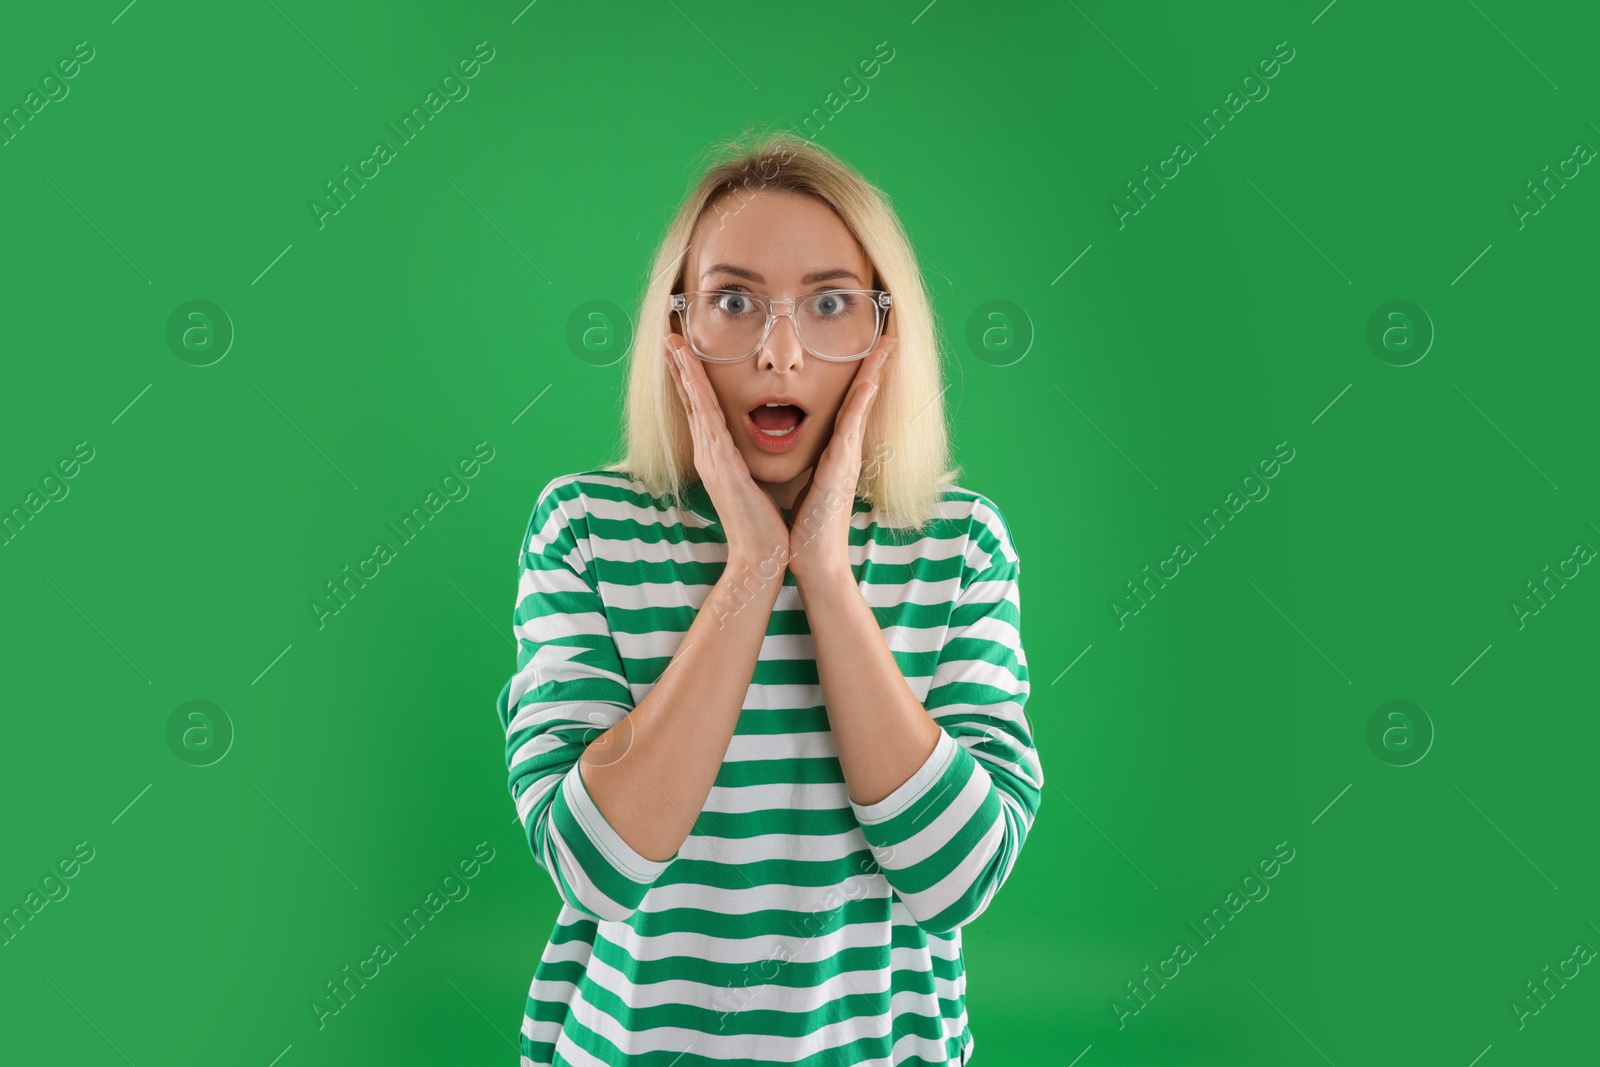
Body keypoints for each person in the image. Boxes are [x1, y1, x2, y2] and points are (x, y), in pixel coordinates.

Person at [495, 127, 1042, 1066]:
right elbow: (594, 867)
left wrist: (823, 571)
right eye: (734, 302)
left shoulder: (960, 544)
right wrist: (752, 568)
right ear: (676, 332)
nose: (780, 354)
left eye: (829, 304)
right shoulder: (583, 526)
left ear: (884, 333)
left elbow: (957, 877)